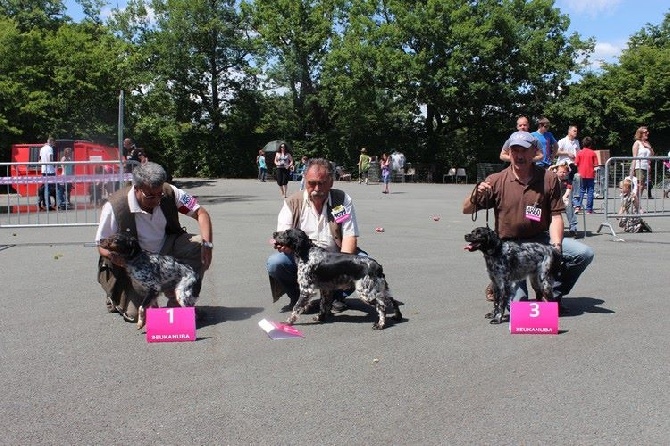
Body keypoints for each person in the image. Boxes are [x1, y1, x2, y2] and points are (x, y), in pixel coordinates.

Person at [463, 131, 594, 313]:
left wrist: (556, 247)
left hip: (540, 239)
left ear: (535, 152)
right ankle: (500, 283)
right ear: (509, 153)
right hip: (509, 247)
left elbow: (556, 216)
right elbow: (466, 209)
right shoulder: (496, 180)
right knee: (520, 309)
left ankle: (553, 293)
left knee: (584, 253)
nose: (519, 155)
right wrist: (475, 195)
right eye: (515, 150)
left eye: (524, 150)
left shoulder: (549, 178)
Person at [95, 162, 213, 323]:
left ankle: (178, 298)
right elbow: (101, 246)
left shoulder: (170, 192)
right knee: (139, 315)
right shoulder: (115, 207)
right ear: (136, 188)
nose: (157, 200)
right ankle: (118, 296)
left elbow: (201, 213)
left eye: (160, 195)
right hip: (135, 261)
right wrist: (122, 261)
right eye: (151, 196)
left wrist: (207, 245)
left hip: (165, 252)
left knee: (198, 244)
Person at [267, 158, 362, 313]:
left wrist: (343, 264)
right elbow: (284, 236)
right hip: (303, 259)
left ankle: (336, 296)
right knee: (275, 262)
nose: (317, 188)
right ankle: (298, 297)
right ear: (305, 181)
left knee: (361, 261)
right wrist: (282, 246)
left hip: (334, 257)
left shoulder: (341, 200)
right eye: (312, 183)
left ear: (331, 182)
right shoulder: (292, 203)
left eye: (322, 183)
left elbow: (350, 236)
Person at [550, 163, 578, 238]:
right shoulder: (553, 179)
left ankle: (573, 227)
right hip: (554, 200)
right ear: (556, 172)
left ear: (567, 173)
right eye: (560, 172)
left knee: (569, 206)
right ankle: (547, 228)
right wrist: (553, 166)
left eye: (564, 172)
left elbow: (568, 191)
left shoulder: (568, 181)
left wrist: (564, 198)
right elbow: (547, 171)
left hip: (564, 199)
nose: (562, 174)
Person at [574, 136, 599, 214]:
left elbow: (576, 163)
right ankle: (589, 209)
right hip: (590, 174)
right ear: (590, 144)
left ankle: (578, 207)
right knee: (590, 192)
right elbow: (596, 165)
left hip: (581, 174)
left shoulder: (579, 153)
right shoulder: (593, 153)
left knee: (580, 191)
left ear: (583, 144)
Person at [631, 126, 654, 199]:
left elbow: (652, 155)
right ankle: (635, 203)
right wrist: (632, 169)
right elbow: (634, 157)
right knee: (640, 185)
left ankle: (636, 203)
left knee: (642, 186)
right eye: (645, 132)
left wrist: (649, 147)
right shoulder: (637, 143)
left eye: (647, 132)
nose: (647, 133)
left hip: (646, 166)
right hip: (639, 166)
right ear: (640, 133)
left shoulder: (647, 143)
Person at [39, 137, 58, 210]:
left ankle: (45, 203)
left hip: (43, 170)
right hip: (50, 170)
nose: (54, 144)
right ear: (51, 142)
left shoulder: (42, 148)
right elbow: (51, 158)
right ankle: (48, 205)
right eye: (53, 143)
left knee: (45, 187)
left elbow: (40, 159)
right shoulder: (50, 149)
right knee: (49, 188)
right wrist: (54, 164)